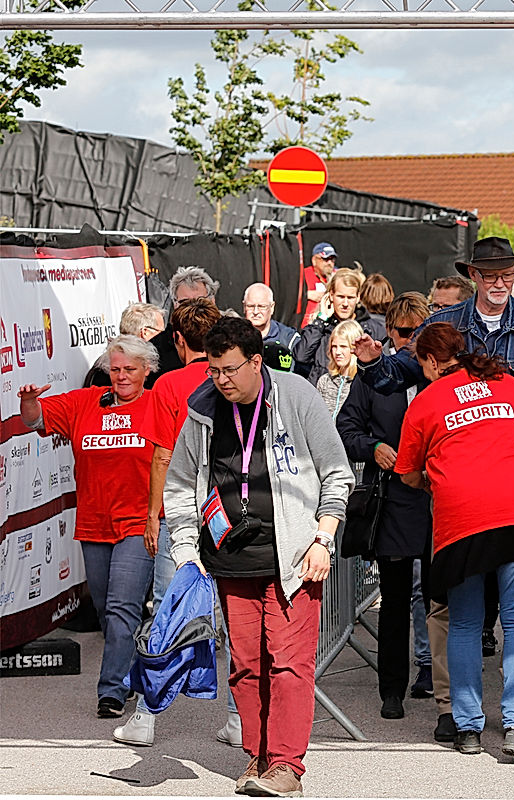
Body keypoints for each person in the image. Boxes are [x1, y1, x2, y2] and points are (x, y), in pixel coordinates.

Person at [165, 316, 353, 796]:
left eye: (230, 369)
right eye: (213, 370)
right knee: (246, 665)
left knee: (289, 662)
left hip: (293, 557)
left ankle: (287, 765)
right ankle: (258, 755)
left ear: (256, 361)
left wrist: (322, 539)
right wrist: (186, 551)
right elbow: (181, 485)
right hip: (230, 557)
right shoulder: (203, 410)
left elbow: (337, 473)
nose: (221, 380)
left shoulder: (296, 396)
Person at [395, 322, 514, 762]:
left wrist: (439, 480)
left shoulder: (427, 401)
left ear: (431, 361)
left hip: (461, 519)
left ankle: (468, 728)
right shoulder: (508, 385)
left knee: (466, 623)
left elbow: (408, 473)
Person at [18, 336, 159, 719]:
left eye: (130, 369)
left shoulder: (159, 405)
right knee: (106, 608)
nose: (122, 376)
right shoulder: (86, 403)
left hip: (137, 523)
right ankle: (130, 672)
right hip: (94, 523)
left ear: (147, 370)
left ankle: (110, 692)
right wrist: (29, 401)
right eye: (115, 369)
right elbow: (36, 419)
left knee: (121, 605)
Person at [116, 298, 234, 747]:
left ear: (180, 341)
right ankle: (239, 717)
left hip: (183, 511)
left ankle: (146, 717)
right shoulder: (235, 377)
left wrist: (153, 514)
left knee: (167, 610)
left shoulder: (168, 385)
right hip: (230, 511)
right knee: (235, 616)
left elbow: (162, 455)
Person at [352, 237, 514, 415]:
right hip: (456, 461)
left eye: (507, 275)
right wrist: (372, 361)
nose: (500, 284)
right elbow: (395, 377)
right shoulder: (441, 324)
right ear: (473, 275)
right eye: (490, 276)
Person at [337, 294, 436, 722]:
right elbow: (346, 426)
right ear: (390, 334)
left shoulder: (442, 377)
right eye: (404, 333)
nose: (412, 341)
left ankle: (437, 678)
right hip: (393, 497)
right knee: (394, 599)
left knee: (440, 596)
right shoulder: (372, 377)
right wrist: (373, 446)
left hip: (439, 498)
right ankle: (391, 688)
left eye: (419, 332)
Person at [296, 268, 387, 386]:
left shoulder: (374, 329)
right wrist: (321, 320)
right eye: (340, 296)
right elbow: (301, 356)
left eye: (350, 298)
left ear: (358, 297)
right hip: (321, 395)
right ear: (331, 295)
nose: (345, 304)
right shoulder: (318, 327)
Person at [152, 266, 221, 376]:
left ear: (212, 300)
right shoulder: (156, 348)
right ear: (175, 304)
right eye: (185, 302)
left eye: (200, 300)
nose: (193, 306)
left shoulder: (229, 336)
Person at [82, 302, 165, 388]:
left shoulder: (105, 361)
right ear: (145, 332)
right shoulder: (106, 366)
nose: (121, 376)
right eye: (160, 331)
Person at [316, 319, 363, 417]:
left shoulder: (362, 383)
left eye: (343, 346)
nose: (337, 352)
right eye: (334, 346)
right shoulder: (325, 381)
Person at [242, 283, 300, 352]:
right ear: (244, 307)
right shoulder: (234, 336)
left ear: (272, 307)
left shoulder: (288, 338)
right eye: (250, 306)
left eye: (261, 306)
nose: (255, 312)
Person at [302, 242, 338, 326]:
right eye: (325, 259)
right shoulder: (303, 275)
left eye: (332, 259)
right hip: (309, 323)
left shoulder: (337, 275)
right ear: (314, 260)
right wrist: (306, 295)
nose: (329, 263)